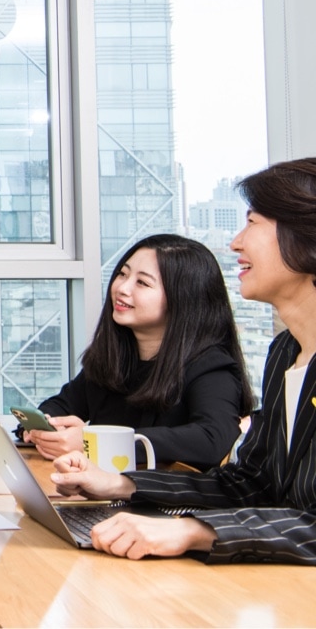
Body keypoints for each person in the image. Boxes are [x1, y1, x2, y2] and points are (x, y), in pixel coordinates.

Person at [51, 158, 316, 564]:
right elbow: (250, 484)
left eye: (253, 222)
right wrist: (120, 484)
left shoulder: (213, 362)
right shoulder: (285, 353)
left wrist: (193, 531)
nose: (235, 242)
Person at [22, 234, 255, 471]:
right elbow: (59, 406)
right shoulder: (115, 358)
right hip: (97, 495)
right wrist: (47, 429)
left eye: (142, 283)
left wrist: (96, 443)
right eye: (123, 274)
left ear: (182, 300)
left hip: (165, 504)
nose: (122, 288)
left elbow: (212, 439)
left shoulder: (211, 368)